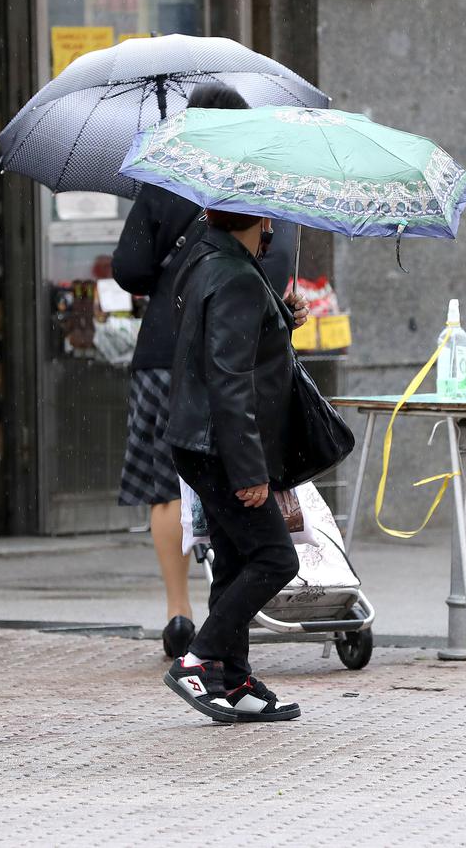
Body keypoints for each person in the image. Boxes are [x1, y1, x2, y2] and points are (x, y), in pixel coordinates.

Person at [111, 82, 303, 659]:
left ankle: (179, 613)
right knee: (229, 491)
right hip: (236, 355)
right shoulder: (261, 188)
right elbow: (274, 270)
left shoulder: (166, 183)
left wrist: (168, 274)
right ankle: (226, 648)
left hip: (164, 354)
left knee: (166, 487)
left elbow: (129, 267)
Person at [162, 206, 308, 723]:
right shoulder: (236, 276)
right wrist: (249, 472)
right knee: (274, 559)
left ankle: (234, 678)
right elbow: (229, 379)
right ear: (258, 221)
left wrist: (280, 317)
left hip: (199, 441)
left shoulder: (206, 259)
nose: (274, 229)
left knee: (234, 561)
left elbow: (224, 346)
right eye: (269, 219)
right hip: (222, 448)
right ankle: (199, 661)